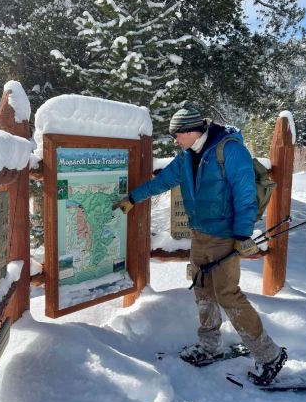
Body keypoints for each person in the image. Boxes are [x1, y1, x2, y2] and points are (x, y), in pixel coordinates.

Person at [112, 104, 287, 385]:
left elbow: (245, 195)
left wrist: (243, 235)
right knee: (203, 288)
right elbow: (164, 181)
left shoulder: (230, 150)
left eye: (176, 135)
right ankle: (209, 346)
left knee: (228, 294)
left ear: (191, 131)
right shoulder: (187, 157)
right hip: (200, 235)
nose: (174, 141)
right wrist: (132, 199)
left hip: (225, 235)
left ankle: (270, 355)